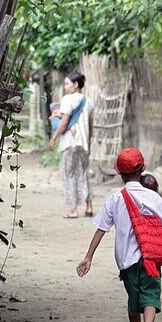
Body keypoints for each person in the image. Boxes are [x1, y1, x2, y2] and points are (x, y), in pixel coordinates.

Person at [76, 148, 162, 322]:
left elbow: (101, 228)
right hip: (151, 258)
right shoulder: (153, 197)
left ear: (118, 172)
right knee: (151, 298)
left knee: (133, 301)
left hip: (126, 260)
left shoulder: (116, 199)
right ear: (143, 168)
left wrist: (88, 257)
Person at [48, 72, 93, 218]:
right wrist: (89, 142)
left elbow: (64, 122)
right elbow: (90, 126)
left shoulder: (67, 100)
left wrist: (54, 138)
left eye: (67, 84)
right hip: (84, 143)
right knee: (84, 173)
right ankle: (89, 206)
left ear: (76, 84)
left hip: (69, 143)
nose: (65, 87)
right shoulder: (89, 101)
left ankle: (73, 210)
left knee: (69, 174)